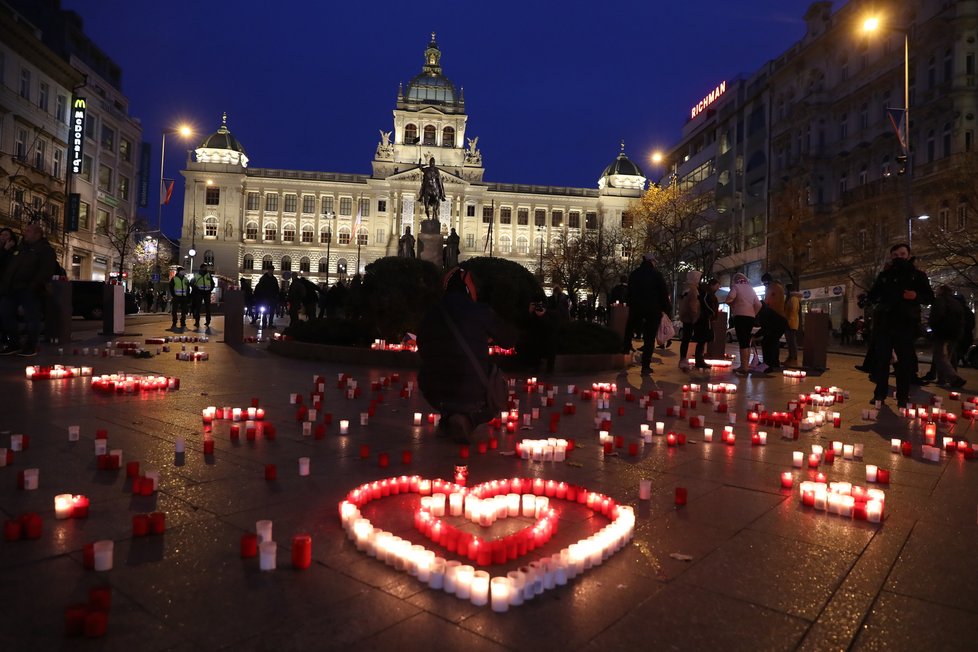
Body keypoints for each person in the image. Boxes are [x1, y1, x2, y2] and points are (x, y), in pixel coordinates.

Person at [416, 266, 517, 442]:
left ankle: (449, 418)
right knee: (496, 380)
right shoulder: (480, 311)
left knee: (438, 371)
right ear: (469, 288)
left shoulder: (431, 314)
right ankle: (469, 420)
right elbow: (509, 340)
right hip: (473, 391)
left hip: (434, 390)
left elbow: (422, 348)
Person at [865, 242, 934, 407]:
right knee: (882, 361)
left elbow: (929, 297)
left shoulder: (917, 276)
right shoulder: (884, 276)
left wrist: (915, 295)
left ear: (908, 256)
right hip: (885, 324)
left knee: (904, 363)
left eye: (902, 254)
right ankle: (879, 394)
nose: (899, 258)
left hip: (905, 324)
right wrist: (869, 298)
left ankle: (903, 396)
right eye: (895, 255)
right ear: (891, 257)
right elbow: (874, 295)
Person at [0, 223, 56, 356]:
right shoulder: (20, 249)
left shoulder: (44, 250)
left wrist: (33, 287)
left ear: (37, 234)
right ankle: (14, 343)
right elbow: (10, 267)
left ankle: (30, 346)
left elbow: (45, 271)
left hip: (29, 289)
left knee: (32, 319)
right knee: (5, 314)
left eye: (29, 231)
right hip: (12, 289)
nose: (25, 233)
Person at [626, 253, 672, 375]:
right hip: (653, 310)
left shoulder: (634, 274)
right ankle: (645, 366)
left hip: (637, 308)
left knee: (629, 328)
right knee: (649, 338)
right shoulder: (657, 275)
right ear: (651, 261)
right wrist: (667, 310)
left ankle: (625, 348)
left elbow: (629, 292)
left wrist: (631, 304)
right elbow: (663, 293)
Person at [922, 285, 966, 388]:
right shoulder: (956, 303)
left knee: (940, 356)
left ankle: (954, 378)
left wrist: (932, 326)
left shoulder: (939, 301)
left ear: (941, 291)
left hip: (942, 333)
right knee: (947, 356)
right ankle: (942, 379)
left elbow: (937, 317)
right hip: (954, 333)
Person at [726, 272, 761, 375]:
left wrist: (733, 306)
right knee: (746, 340)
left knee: (742, 341)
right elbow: (758, 304)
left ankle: (743, 366)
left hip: (740, 316)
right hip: (750, 317)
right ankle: (746, 365)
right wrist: (754, 313)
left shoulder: (736, 287)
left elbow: (729, 299)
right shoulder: (751, 289)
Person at [758, 272, 787, 370]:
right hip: (781, 319)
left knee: (767, 342)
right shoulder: (778, 287)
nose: (764, 285)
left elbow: (769, 302)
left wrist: (755, 336)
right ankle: (774, 363)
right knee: (774, 342)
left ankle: (768, 364)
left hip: (775, 318)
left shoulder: (772, 288)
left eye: (764, 283)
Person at [691, 276, 721, 370]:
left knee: (702, 341)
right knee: (702, 340)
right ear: (712, 285)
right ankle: (699, 361)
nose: (718, 288)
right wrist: (711, 312)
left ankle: (700, 360)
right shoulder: (706, 293)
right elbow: (705, 303)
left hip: (704, 319)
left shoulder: (706, 292)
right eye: (717, 286)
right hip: (704, 320)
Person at [676, 270, 702, 370]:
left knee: (685, 339)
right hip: (691, 317)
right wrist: (695, 316)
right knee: (688, 338)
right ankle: (685, 359)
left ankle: (682, 358)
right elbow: (693, 304)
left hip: (685, 316)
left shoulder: (685, 287)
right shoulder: (693, 289)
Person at [190, 263, 215, 328]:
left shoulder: (208, 275)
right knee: (198, 308)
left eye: (206, 267)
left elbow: (212, 283)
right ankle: (197, 322)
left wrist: (210, 289)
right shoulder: (196, 275)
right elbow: (191, 283)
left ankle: (208, 321)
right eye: (204, 267)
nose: (206, 269)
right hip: (199, 293)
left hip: (207, 293)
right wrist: (197, 289)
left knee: (208, 308)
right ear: (201, 268)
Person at [784, 283, 801, 366]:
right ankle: (791, 357)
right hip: (790, 322)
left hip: (791, 323)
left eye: (786, 290)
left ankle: (793, 358)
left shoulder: (793, 298)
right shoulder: (792, 298)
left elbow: (792, 310)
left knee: (791, 342)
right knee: (790, 341)